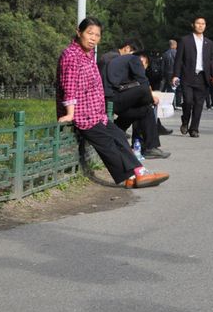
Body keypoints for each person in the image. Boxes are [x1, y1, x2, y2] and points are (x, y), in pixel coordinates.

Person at [56, 17, 169, 189]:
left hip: (95, 113)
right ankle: (136, 174)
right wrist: (70, 114)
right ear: (79, 32)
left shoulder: (88, 55)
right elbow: (69, 86)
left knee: (119, 136)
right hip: (82, 114)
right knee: (108, 144)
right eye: (89, 33)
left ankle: (135, 175)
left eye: (97, 35)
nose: (93, 38)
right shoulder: (71, 55)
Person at [104, 41, 170, 159]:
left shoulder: (114, 58)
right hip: (111, 99)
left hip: (111, 99)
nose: (142, 67)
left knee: (144, 110)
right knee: (144, 93)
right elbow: (143, 81)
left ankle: (147, 146)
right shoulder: (133, 59)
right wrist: (151, 98)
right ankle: (148, 146)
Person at [171, 16, 213, 137]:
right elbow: (178, 59)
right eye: (198, 23)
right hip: (188, 76)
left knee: (199, 104)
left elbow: (212, 60)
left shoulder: (209, 43)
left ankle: (194, 128)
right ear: (193, 25)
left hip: (203, 77)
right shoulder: (185, 40)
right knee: (188, 101)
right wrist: (176, 75)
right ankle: (185, 120)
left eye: (203, 23)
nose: (200, 25)